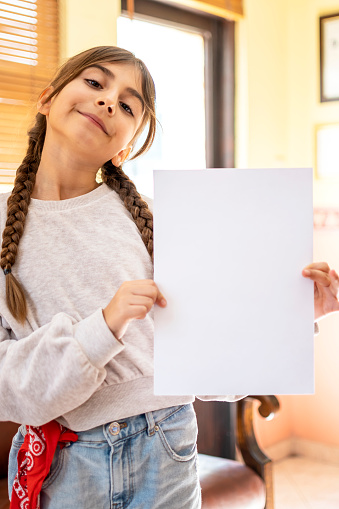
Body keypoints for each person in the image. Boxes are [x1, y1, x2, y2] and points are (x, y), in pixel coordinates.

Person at [0, 45, 337, 509]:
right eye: (95, 84)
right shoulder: (3, 226)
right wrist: (103, 327)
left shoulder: (159, 222)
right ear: (47, 97)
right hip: (66, 463)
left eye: (126, 105)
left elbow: (210, 356)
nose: (107, 102)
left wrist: (297, 316)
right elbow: (6, 387)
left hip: (168, 447)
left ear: (125, 148)